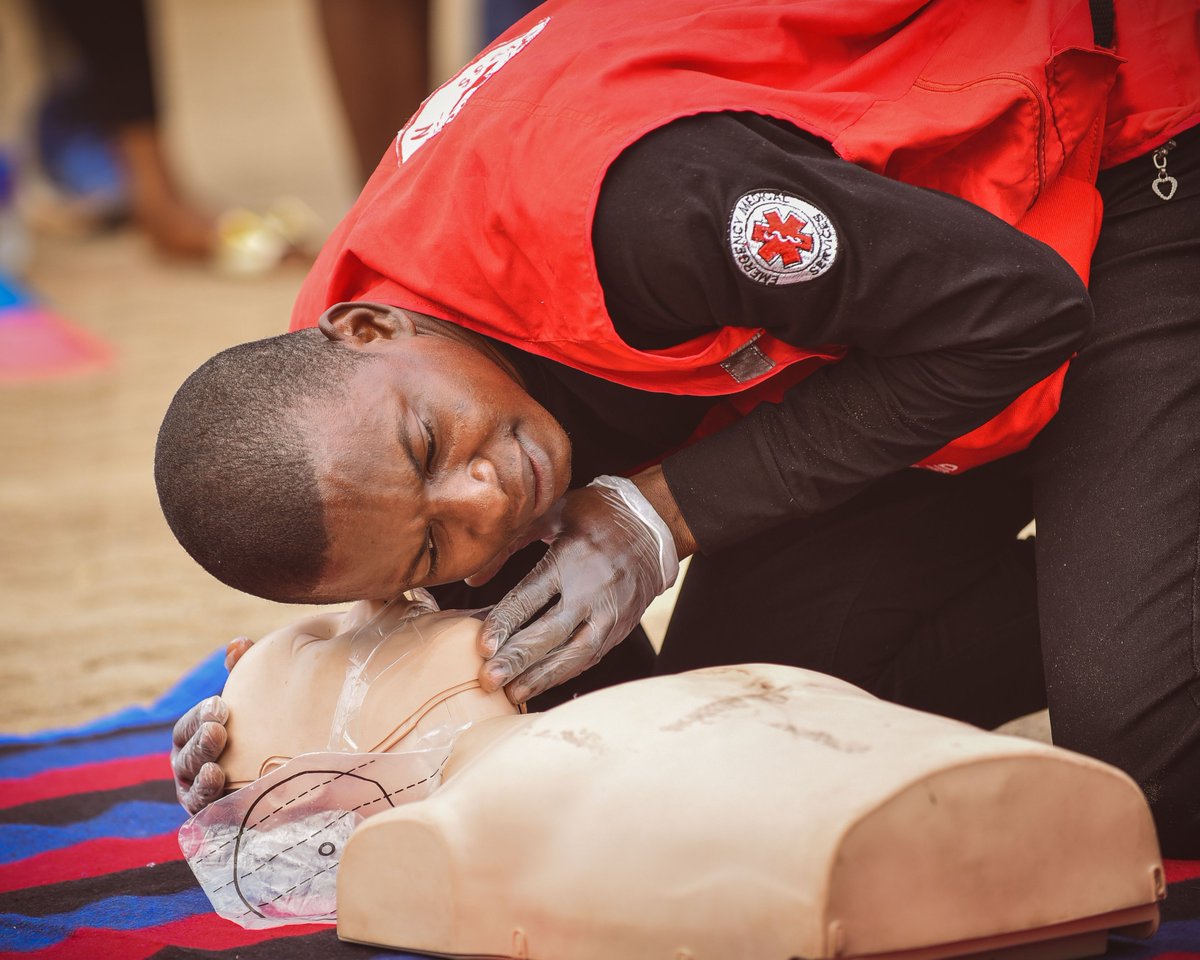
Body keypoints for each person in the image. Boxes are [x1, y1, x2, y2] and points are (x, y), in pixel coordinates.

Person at [157, 0, 1199, 855]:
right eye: (434, 545)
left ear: (372, 323)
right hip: (898, 314)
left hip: (1110, 159)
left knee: (1149, 753)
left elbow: (1020, 312)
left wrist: (658, 510)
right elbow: (608, 721)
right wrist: (328, 717)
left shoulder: (640, 211)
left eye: (433, 449)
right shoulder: (358, 419)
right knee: (741, 729)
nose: (489, 500)